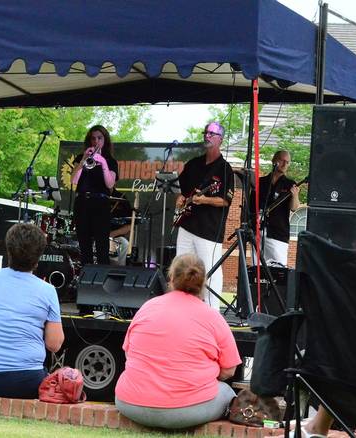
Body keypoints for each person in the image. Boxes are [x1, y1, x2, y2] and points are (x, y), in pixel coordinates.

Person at [115, 253, 241, 429]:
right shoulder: (213, 317)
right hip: (187, 410)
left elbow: (129, 354)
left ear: (171, 277)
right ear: (203, 282)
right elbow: (229, 370)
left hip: (130, 403)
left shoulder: (147, 307)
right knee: (227, 392)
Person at [0, 223, 64, 399]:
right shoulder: (47, 291)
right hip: (27, 380)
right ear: (39, 256)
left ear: (8, 250)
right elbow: (54, 344)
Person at [175, 122, 234, 311]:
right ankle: (181, 308)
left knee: (209, 271)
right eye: (206, 132)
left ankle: (212, 312)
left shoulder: (225, 169)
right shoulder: (193, 163)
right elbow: (182, 190)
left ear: (220, 140)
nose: (207, 136)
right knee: (181, 267)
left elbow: (225, 200)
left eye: (212, 133)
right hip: (187, 224)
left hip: (209, 230)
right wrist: (181, 197)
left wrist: (205, 200)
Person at [71, 125, 119, 265]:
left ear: (105, 140)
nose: (96, 141)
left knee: (102, 247)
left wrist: (103, 162)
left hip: (100, 204)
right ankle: (85, 278)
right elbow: (74, 180)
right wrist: (83, 159)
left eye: (99, 138)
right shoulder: (82, 158)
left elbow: (110, 184)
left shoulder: (110, 161)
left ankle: (100, 281)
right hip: (82, 203)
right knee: (84, 247)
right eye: (93, 138)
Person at [251, 150, 300, 266]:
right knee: (257, 270)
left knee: (278, 269)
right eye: (282, 161)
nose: (284, 164)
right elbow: (251, 207)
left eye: (287, 162)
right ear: (274, 161)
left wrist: (295, 195)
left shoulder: (290, 184)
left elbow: (294, 208)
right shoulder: (260, 182)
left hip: (278, 233)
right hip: (258, 231)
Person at [109, 189, 133, 266]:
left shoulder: (121, 198)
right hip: (95, 235)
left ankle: (119, 271)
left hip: (114, 237)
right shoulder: (94, 196)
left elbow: (129, 226)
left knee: (124, 244)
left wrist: (112, 234)